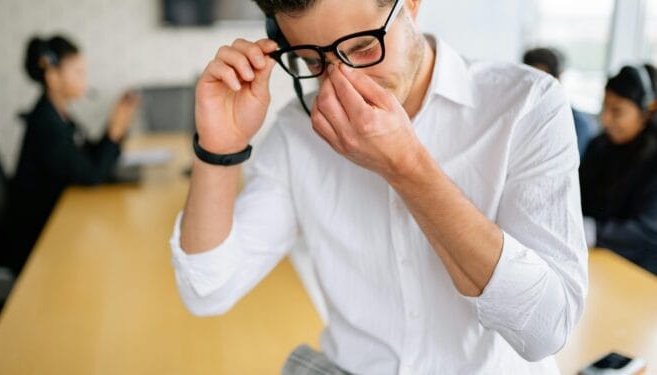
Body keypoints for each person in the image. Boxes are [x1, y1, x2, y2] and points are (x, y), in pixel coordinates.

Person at [170, 0, 588, 373]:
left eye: (363, 47)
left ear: (411, 4)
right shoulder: (297, 133)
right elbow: (207, 291)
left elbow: (544, 329)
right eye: (315, 62)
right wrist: (219, 149)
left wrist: (406, 167)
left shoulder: (526, 105)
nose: (344, 82)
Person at [1, 35, 139, 272]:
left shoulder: (59, 115)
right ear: (53, 77)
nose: (84, 80)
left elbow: (86, 157)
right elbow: (91, 175)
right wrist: (114, 132)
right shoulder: (45, 124)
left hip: (56, 222)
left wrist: (113, 129)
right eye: (77, 72)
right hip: (37, 239)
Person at [580, 64, 657, 275]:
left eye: (617, 111)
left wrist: (594, 231)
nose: (605, 120)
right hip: (593, 262)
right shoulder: (599, 145)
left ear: (646, 112)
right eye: (605, 107)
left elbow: (648, 232)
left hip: (639, 272)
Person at [523, 47, 599, 157]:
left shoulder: (578, 124)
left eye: (541, 82)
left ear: (558, 78)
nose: (534, 89)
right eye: (529, 81)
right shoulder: (517, 118)